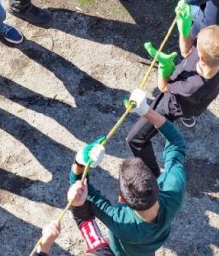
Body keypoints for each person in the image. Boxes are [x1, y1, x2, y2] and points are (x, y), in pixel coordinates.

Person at [67, 103, 186, 256]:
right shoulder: (173, 191)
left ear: (122, 198)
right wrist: (148, 111)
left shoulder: (121, 221)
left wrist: (79, 163)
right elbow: (177, 143)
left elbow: (81, 195)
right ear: (156, 183)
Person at [126, 9, 219, 136]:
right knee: (192, 106)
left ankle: (186, 115)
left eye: (196, 44)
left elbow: (164, 87)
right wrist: (184, 28)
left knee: (137, 136)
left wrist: (163, 66)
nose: (194, 43)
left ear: (201, 58)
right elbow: (186, 51)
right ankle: (189, 116)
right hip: (198, 101)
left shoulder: (191, 86)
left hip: (176, 105)